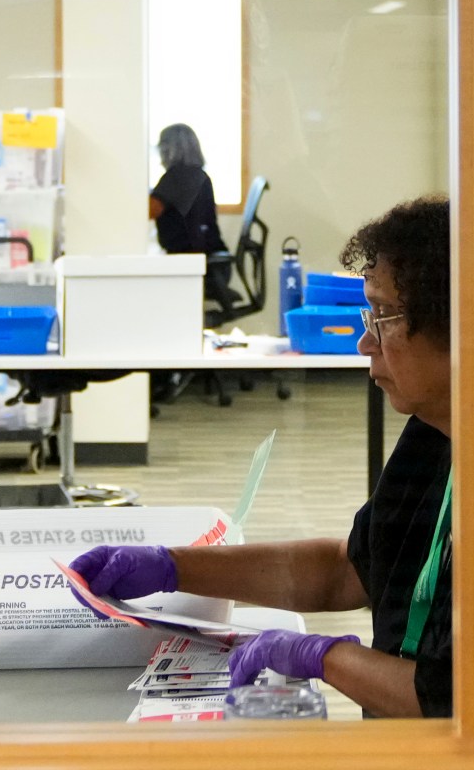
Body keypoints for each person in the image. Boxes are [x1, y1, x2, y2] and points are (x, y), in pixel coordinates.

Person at [70, 196, 453, 718]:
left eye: (383, 316)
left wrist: (325, 657)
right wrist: (172, 567)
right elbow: (350, 571)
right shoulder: (431, 436)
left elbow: (449, 700)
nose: (366, 342)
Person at [149, 123, 232, 314]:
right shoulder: (198, 175)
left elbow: (148, 210)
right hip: (211, 264)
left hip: (196, 265)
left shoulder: (177, 177)